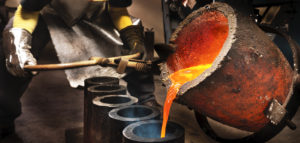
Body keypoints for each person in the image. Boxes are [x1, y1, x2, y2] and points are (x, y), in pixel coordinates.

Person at [0, 0, 157, 138]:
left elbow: (117, 10)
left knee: (135, 42)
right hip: (51, 13)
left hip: (96, 13)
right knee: (14, 55)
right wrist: (17, 45)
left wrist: (133, 39)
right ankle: (4, 115)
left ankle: (146, 101)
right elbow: (28, 12)